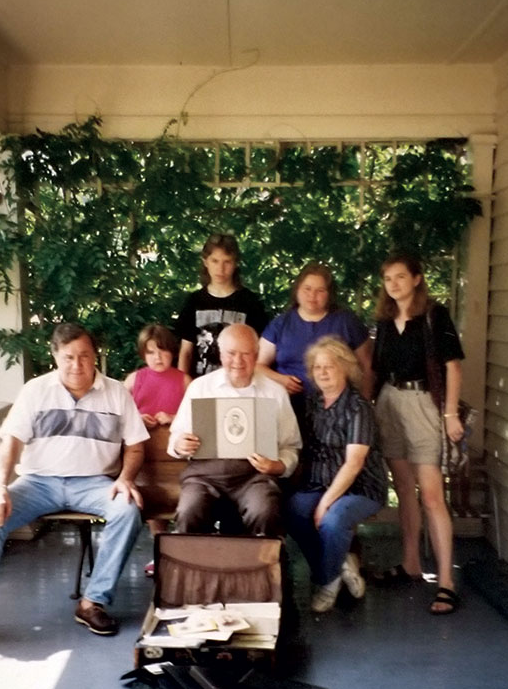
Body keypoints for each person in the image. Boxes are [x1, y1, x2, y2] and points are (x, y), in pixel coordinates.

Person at [0, 323, 149, 652]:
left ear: (95, 356)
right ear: (55, 356)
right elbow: (11, 444)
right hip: (39, 482)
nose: (77, 365)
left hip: (94, 483)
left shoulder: (117, 392)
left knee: (127, 511)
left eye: (84, 356)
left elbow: (135, 446)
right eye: (68, 357)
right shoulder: (36, 391)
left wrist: (125, 478)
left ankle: (92, 603)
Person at [372, 252, 464, 615]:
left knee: (431, 496)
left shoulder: (433, 315)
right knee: (404, 491)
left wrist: (450, 413)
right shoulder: (384, 319)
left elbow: (452, 366)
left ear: (416, 278)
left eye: (400, 276)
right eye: (388, 278)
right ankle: (410, 563)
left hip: (424, 403)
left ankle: (446, 581)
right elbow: (377, 370)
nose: (393, 284)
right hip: (389, 403)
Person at [168, 323, 302, 536]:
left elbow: (291, 446)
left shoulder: (275, 392)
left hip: (254, 477)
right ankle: (193, 568)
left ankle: (262, 568)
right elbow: (176, 436)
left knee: (264, 510)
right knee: (188, 510)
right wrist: (179, 444)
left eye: (246, 354)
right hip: (204, 476)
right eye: (231, 353)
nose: (238, 361)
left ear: (257, 355)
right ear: (220, 354)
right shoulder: (201, 387)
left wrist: (279, 466)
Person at [287, 337, 387, 613]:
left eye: (329, 366)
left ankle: (326, 582)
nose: (322, 372)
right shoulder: (313, 402)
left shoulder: (358, 407)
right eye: (317, 367)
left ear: (345, 368)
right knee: (293, 511)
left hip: (360, 487)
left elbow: (354, 463)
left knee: (333, 520)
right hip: (318, 482)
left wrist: (324, 503)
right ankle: (340, 563)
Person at [257, 262, 373, 409]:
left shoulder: (347, 322)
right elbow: (258, 365)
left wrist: (364, 404)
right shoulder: (280, 324)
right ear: (297, 289)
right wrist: (280, 379)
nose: (312, 295)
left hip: (338, 408)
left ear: (329, 294)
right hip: (289, 405)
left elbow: (367, 366)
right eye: (307, 289)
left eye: (320, 290)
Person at [124, 323, 191, 575]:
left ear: (172, 352)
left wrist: (174, 417)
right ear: (143, 354)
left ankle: (178, 552)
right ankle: (159, 550)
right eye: (151, 352)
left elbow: (198, 415)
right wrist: (137, 418)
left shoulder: (184, 380)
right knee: (151, 497)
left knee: (182, 498)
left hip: (177, 460)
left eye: (162, 351)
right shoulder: (134, 379)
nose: (158, 357)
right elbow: (117, 414)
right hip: (145, 459)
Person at [175, 233, 268, 378]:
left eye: (227, 262)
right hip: (201, 385)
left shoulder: (250, 302)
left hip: (239, 384)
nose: (221, 268)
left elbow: (260, 351)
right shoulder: (194, 301)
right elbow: (186, 351)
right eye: (215, 261)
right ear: (205, 262)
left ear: (236, 263)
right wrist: (182, 387)